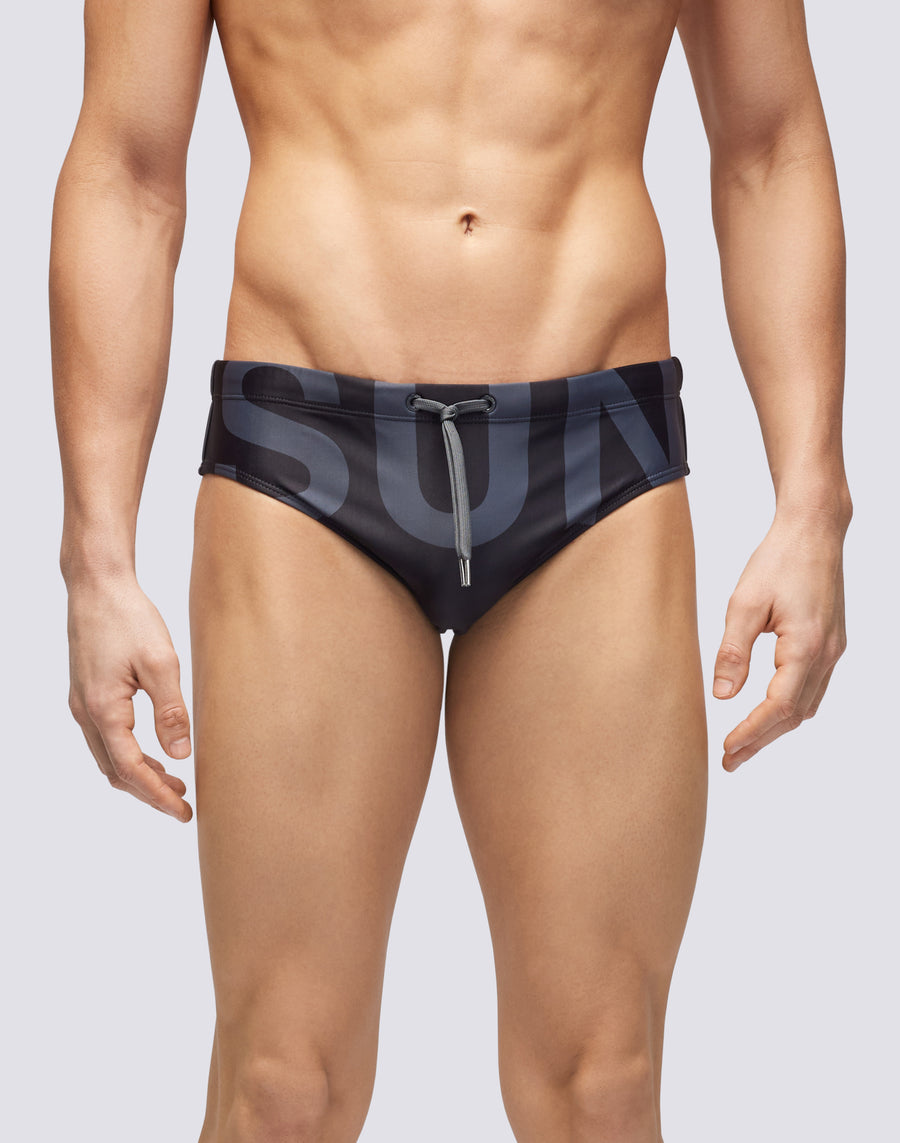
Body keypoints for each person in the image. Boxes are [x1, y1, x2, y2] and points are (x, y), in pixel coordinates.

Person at [49, 1, 851, 1140]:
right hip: (308, 448)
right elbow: (128, 167)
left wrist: (812, 500)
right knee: (283, 1088)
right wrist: (97, 559)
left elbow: (771, 142)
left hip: (594, 451)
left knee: (603, 1087)